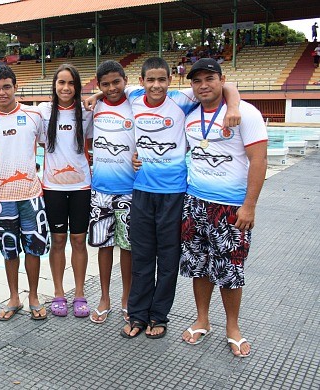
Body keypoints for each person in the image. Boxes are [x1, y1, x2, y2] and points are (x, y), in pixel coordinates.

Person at [83, 57, 241, 339]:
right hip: (141, 190)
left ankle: (159, 316)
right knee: (142, 256)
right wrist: (96, 93)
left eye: (162, 80)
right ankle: (137, 314)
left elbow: (226, 86)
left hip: (174, 193)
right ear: (141, 82)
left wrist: (235, 106)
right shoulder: (133, 96)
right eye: (151, 80)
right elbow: (109, 91)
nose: (156, 86)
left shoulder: (182, 99)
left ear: (171, 80)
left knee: (167, 260)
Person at [180, 59, 267, 358]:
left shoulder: (246, 114)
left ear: (222, 80)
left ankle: (233, 326)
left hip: (231, 207)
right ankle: (202, 319)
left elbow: (259, 161)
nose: (204, 85)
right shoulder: (190, 115)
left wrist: (249, 206)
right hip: (195, 203)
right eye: (197, 80)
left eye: (210, 78)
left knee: (230, 270)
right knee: (198, 265)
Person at [0, 65, 50, 321]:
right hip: (2, 198)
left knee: (33, 248)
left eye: (6, 87)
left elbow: (47, 145)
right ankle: (13, 297)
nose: (2, 93)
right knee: (9, 249)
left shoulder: (33, 116)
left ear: (15, 87)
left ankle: (33, 296)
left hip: (32, 195)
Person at [38, 64, 93, 318]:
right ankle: (59, 293)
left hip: (81, 187)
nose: (66, 88)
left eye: (71, 83)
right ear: (54, 85)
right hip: (53, 187)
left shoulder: (87, 112)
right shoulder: (43, 111)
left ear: (78, 86)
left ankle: (79, 293)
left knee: (79, 241)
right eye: (61, 83)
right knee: (58, 240)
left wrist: (98, 95)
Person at [88, 60, 135, 325]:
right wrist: (96, 95)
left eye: (116, 82)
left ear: (125, 80)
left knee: (128, 247)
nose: (111, 88)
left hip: (130, 190)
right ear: (98, 85)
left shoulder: (135, 103)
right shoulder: (95, 107)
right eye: (104, 84)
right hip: (101, 191)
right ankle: (104, 297)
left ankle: (126, 298)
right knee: (103, 246)